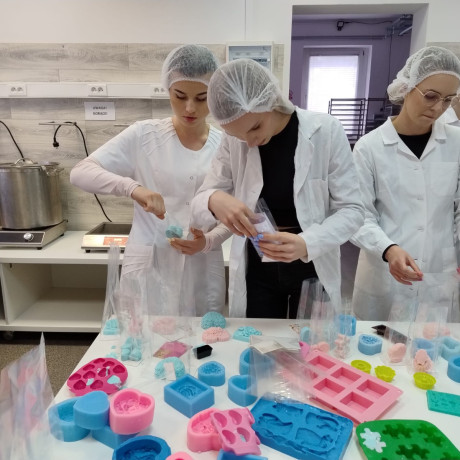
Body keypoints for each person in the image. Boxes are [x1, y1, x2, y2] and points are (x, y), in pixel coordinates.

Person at [191, 58, 364, 319]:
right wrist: (214, 199)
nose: (250, 142)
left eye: (255, 127)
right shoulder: (234, 140)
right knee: (259, 340)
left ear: (271, 100)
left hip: (311, 262)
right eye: (239, 136)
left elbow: (352, 210)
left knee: (309, 341)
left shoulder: (325, 131)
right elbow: (200, 200)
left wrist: (306, 243)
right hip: (258, 264)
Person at [70, 44, 230, 316]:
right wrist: (133, 188)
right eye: (180, 96)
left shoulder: (225, 144)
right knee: (142, 335)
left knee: (203, 335)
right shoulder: (144, 135)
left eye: (201, 98)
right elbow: (81, 172)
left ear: (214, 95)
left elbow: (236, 210)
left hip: (202, 263)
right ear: (167, 89)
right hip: (150, 261)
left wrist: (210, 240)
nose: (190, 107)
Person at [350, 46, 460, 321]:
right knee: (378, 344)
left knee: (432, 345)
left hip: (438, 275)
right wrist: (388, 249)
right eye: (431, 96)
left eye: (448, 100)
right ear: (407, 88)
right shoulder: (370, 147)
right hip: (383, 275)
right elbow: (357, 214)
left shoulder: (456, 143)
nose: (438, 108)